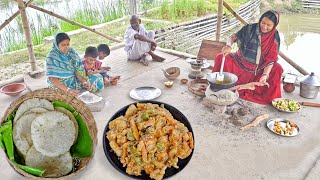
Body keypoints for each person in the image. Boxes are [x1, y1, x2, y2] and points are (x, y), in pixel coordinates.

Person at [212, 10, 283, 104]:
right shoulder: (249, 28)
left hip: (258, 68)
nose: (264, 27)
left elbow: (271, 58)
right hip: (240, 62)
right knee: (220, 57)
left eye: (269, 25)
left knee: (278, 68)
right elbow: (232, 37)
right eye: (263, 23)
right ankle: (220, 86)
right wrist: (229, 45)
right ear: (260, 20)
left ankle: (266, 97)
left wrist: (265, 75)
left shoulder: (275, 37)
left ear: (274, 26)